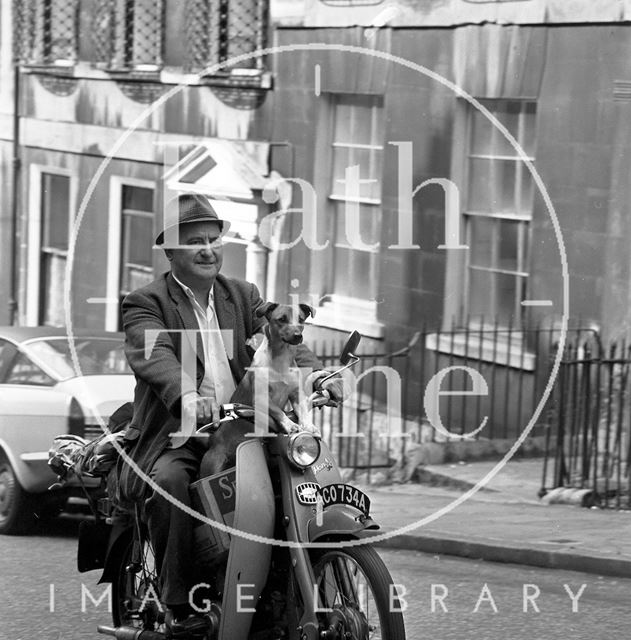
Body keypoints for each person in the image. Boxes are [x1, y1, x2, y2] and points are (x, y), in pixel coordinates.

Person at [120, 193, 344, 635]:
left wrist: (317, 379)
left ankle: (295, 583)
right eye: (194, 241)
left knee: (302, 479)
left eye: (213, 238)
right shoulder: (146, 302)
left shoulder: (243, 296)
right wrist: (185, 395)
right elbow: (155, 353)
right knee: (171, 483)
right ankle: (182, 606)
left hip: (248, 428)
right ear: (170, 251)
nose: (207, 249)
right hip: (182, 433)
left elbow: (289, 344)